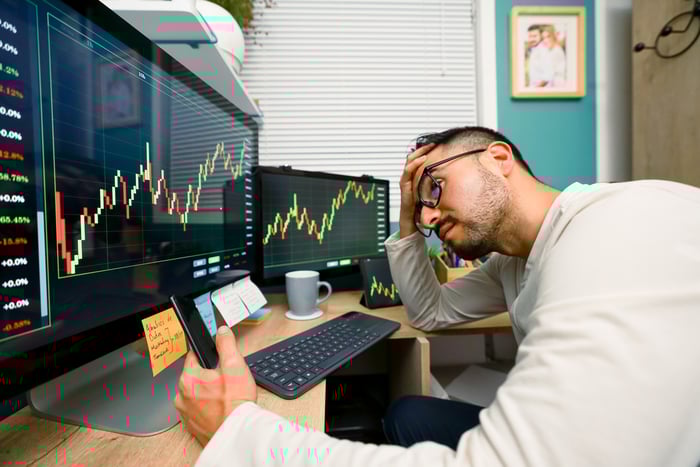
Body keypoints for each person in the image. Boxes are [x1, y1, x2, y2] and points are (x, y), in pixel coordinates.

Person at [174, 125, 700, 466]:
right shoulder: (515, 263)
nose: (427, 217)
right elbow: (431, 311)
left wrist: (242, 434)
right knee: (407, 415)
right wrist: (405, 214)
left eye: (433, 187)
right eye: (418, 208)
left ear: (497, 158)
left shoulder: (618, 227)